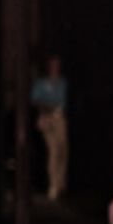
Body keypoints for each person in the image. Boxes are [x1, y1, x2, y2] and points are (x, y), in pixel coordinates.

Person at [30, 54, 68, 201]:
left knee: (62, 150)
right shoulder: (41, 83)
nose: (54, 68)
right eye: (52, 65)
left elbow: (61, 101)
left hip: (59, 118)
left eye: (57, 65)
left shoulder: (61, 83)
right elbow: (36, 101)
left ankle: (61, 182)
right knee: (52, 151)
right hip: (46, 119)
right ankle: (53, 186)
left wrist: (49, 104)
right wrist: (47, 106)